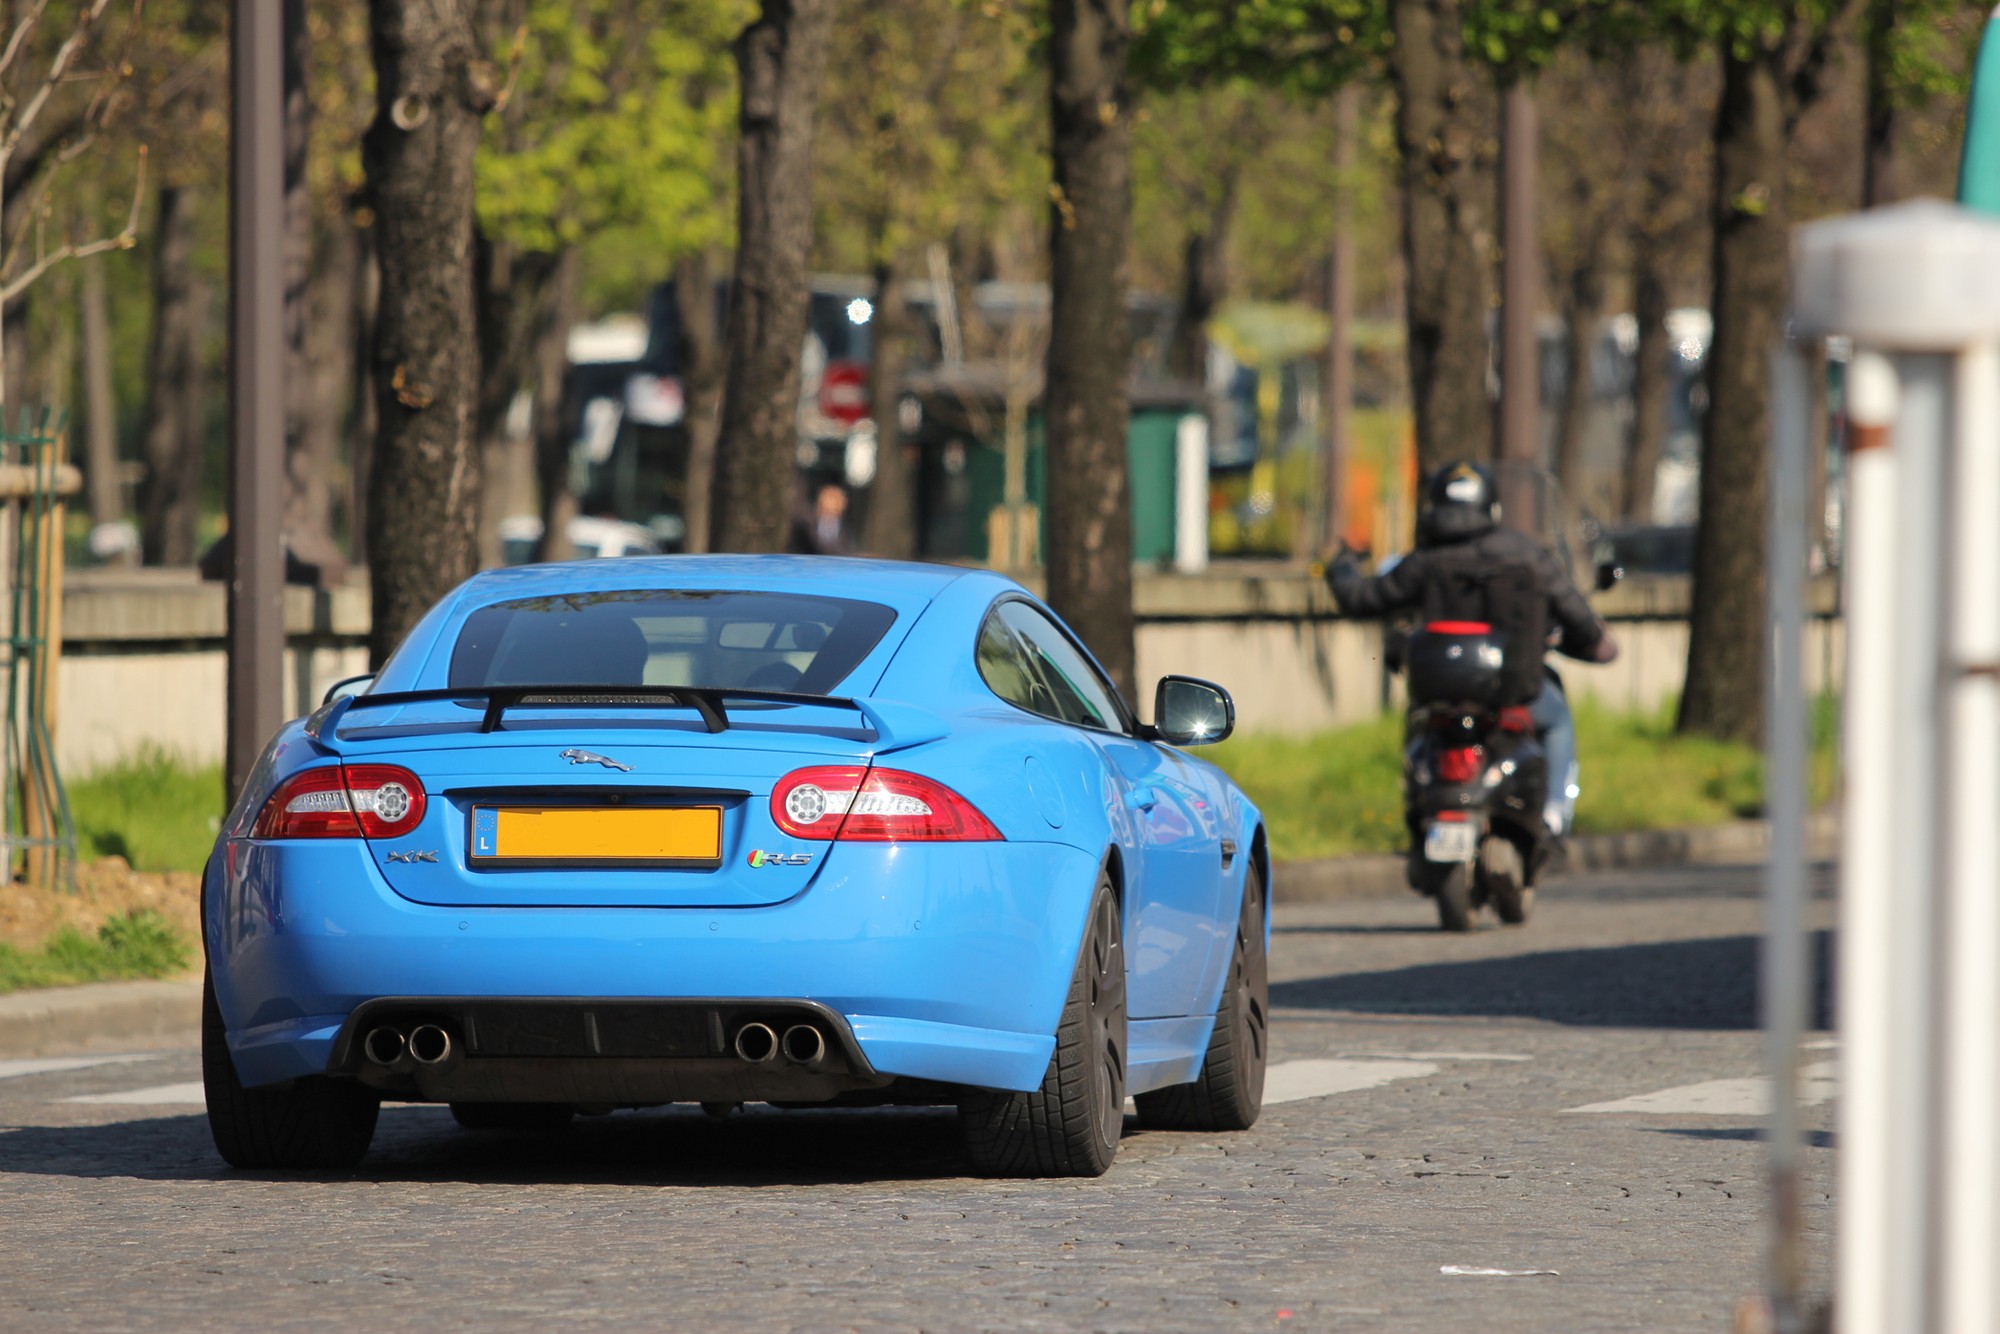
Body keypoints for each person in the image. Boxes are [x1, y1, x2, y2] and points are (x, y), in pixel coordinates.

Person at [1325, 461, 1618, 837]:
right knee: (1557, 720)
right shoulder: (1527, 555)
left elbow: (1363, 598)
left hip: (1438, 699)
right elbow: (1578, 616)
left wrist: (1342, 567)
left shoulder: (1427, 559)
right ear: (1492, 507)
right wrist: (1595, 643)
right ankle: (1554, 812)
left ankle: (1418, 805)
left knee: (1418, 729)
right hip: (1514, 693)